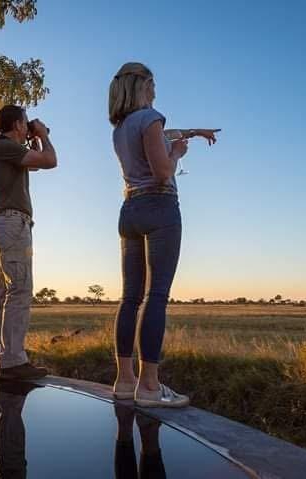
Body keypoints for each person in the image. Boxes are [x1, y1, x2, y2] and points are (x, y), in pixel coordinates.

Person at [108, 62, 219, 407]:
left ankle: (125, 382)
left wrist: (193, 131)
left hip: (129, 211)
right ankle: (151, 387)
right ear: (145, 85)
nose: (156, 91)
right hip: (160, 208)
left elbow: (160, 136)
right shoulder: (152, 118)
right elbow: (163, 171)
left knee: (130, 299)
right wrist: (177, 152)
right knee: (156, 296)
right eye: (154, 85)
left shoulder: (122, 126)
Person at [0, 105, 57, 380]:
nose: (28, 127)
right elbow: (50, 160)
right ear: (16, 125)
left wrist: (36, 137)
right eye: (25, 123)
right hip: (14, 224)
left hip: (7, 224)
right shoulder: (4, 147)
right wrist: (44, 135)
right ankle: (13, 361)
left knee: (3, 294)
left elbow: (36, 163)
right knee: (20, 291)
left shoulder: (4, 150)